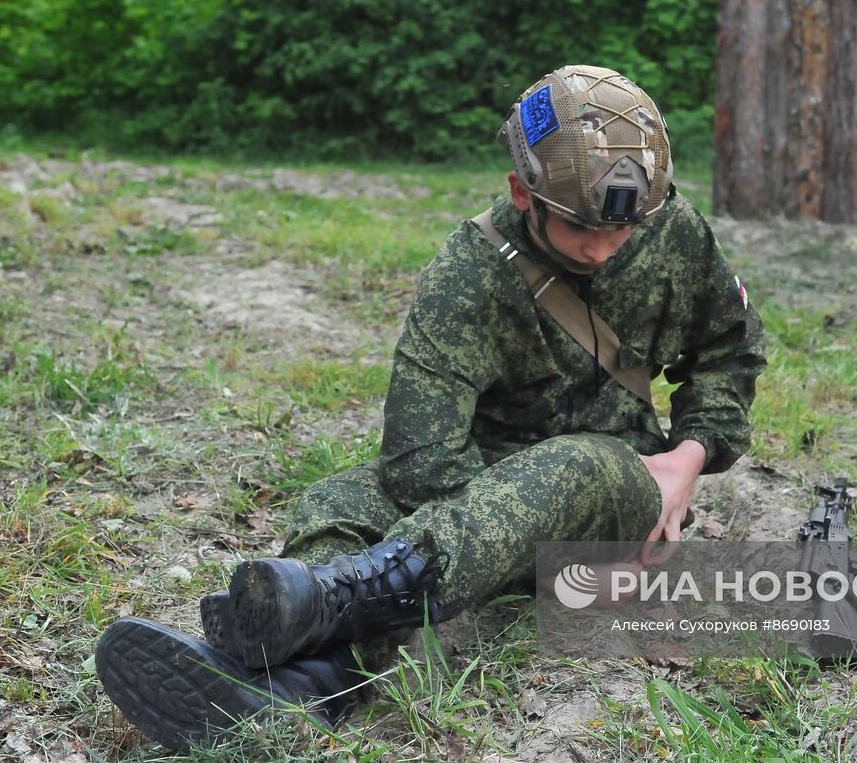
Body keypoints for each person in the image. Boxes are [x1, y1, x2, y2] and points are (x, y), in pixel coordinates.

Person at [93, 65, 769, 751]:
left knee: (580, 464)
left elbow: (730, 349)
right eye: (577, 228)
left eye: (621, 232)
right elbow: (422, 463)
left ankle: (331, 602)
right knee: (337, 501)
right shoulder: (467, 275)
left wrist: (687, 460)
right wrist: (501, 542)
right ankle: (305, 687)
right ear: (521, 191)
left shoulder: (671, 231)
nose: (602, 247)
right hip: (488, 485)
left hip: (621, 488)